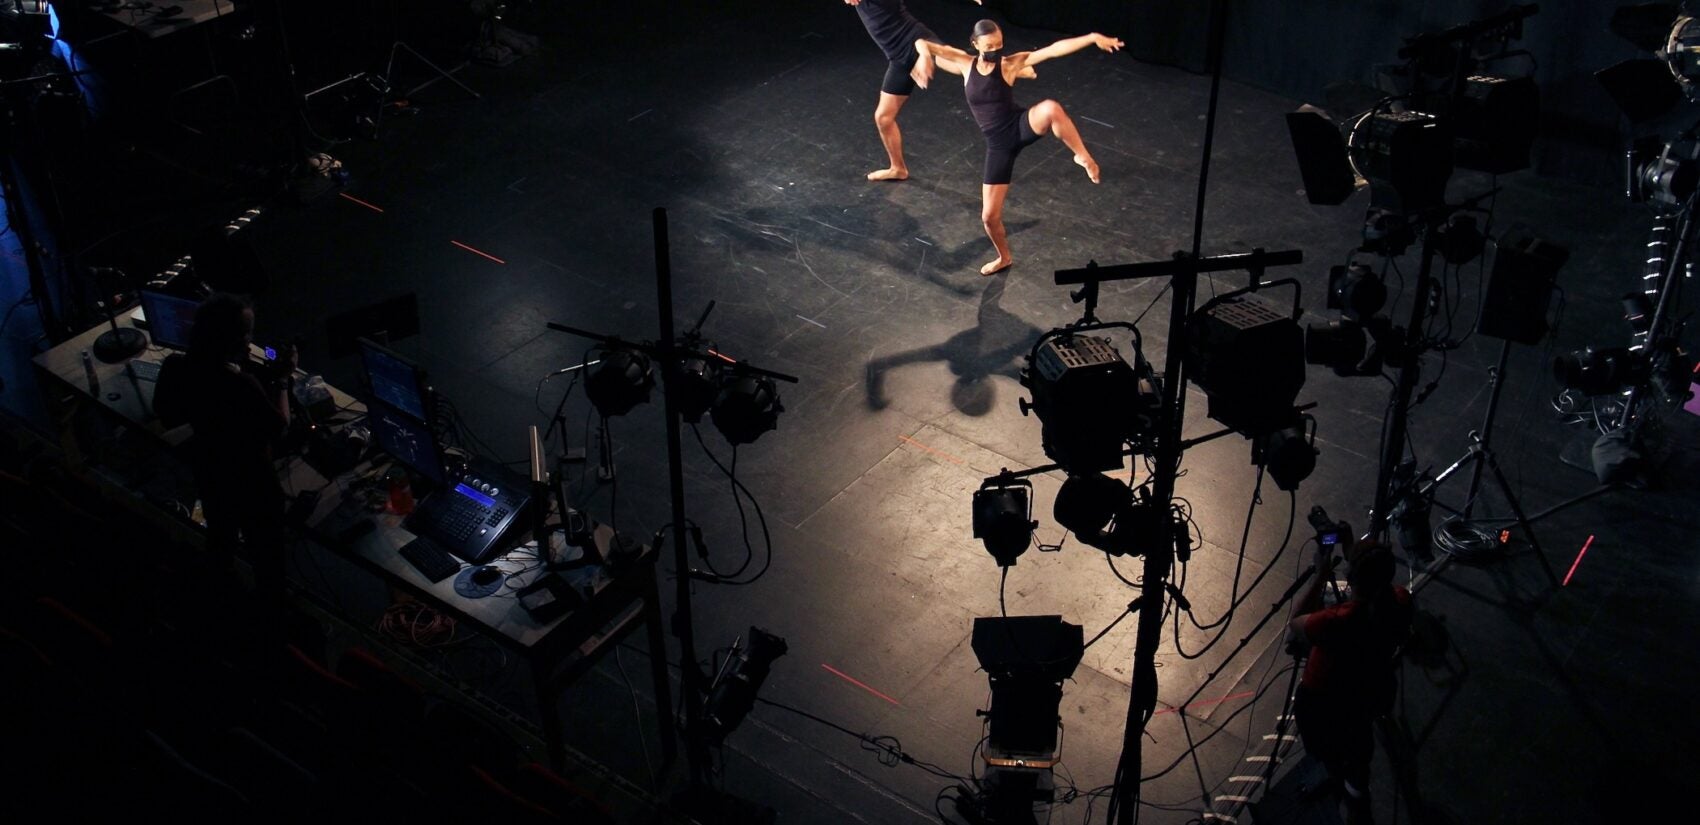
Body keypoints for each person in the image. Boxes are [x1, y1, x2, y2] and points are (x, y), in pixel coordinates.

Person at [915, 20, 1122, 275]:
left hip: (1020, 125)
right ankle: (1004, 258)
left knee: (1051, 108)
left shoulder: (1009, 64)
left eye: (999, 45)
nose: (995, 51)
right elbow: (923, 43)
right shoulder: (964, 63)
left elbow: (1052, 50)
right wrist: (924, 57)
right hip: (998, 146)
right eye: (989, 47)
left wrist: (1091, 37)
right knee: (989, 217)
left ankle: (1083, 157)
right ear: (975, 44)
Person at [153, 293, 296, 616]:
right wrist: (282, 380)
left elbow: (165, 412)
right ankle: (271, 615)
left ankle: (220, 597)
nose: (250, 341)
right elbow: (279, 427)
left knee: (221, 536)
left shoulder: (175, 366)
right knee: (267, 557)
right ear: (228, 340)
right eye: (246, 334)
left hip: (210, 472)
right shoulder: (241, 385)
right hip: (255, 484)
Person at [1287, 535, 1414, 825]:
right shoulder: (1399, 601)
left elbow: (1297, 622)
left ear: (1352, 578)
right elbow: (1373, 580)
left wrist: (1320, 574)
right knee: (1358, 754)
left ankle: (1333, 786)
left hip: (1322, 703)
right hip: (1367, 696)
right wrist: (1349, 546)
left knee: (1328, 755)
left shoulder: (1338, 620)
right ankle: (1357, 796)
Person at [846, 0, 1011, 182]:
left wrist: (925, 55)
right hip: (899, 58)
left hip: (917, 38)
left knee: (960, 65)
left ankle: (1008, 67)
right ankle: (898, 168)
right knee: (883, 118)